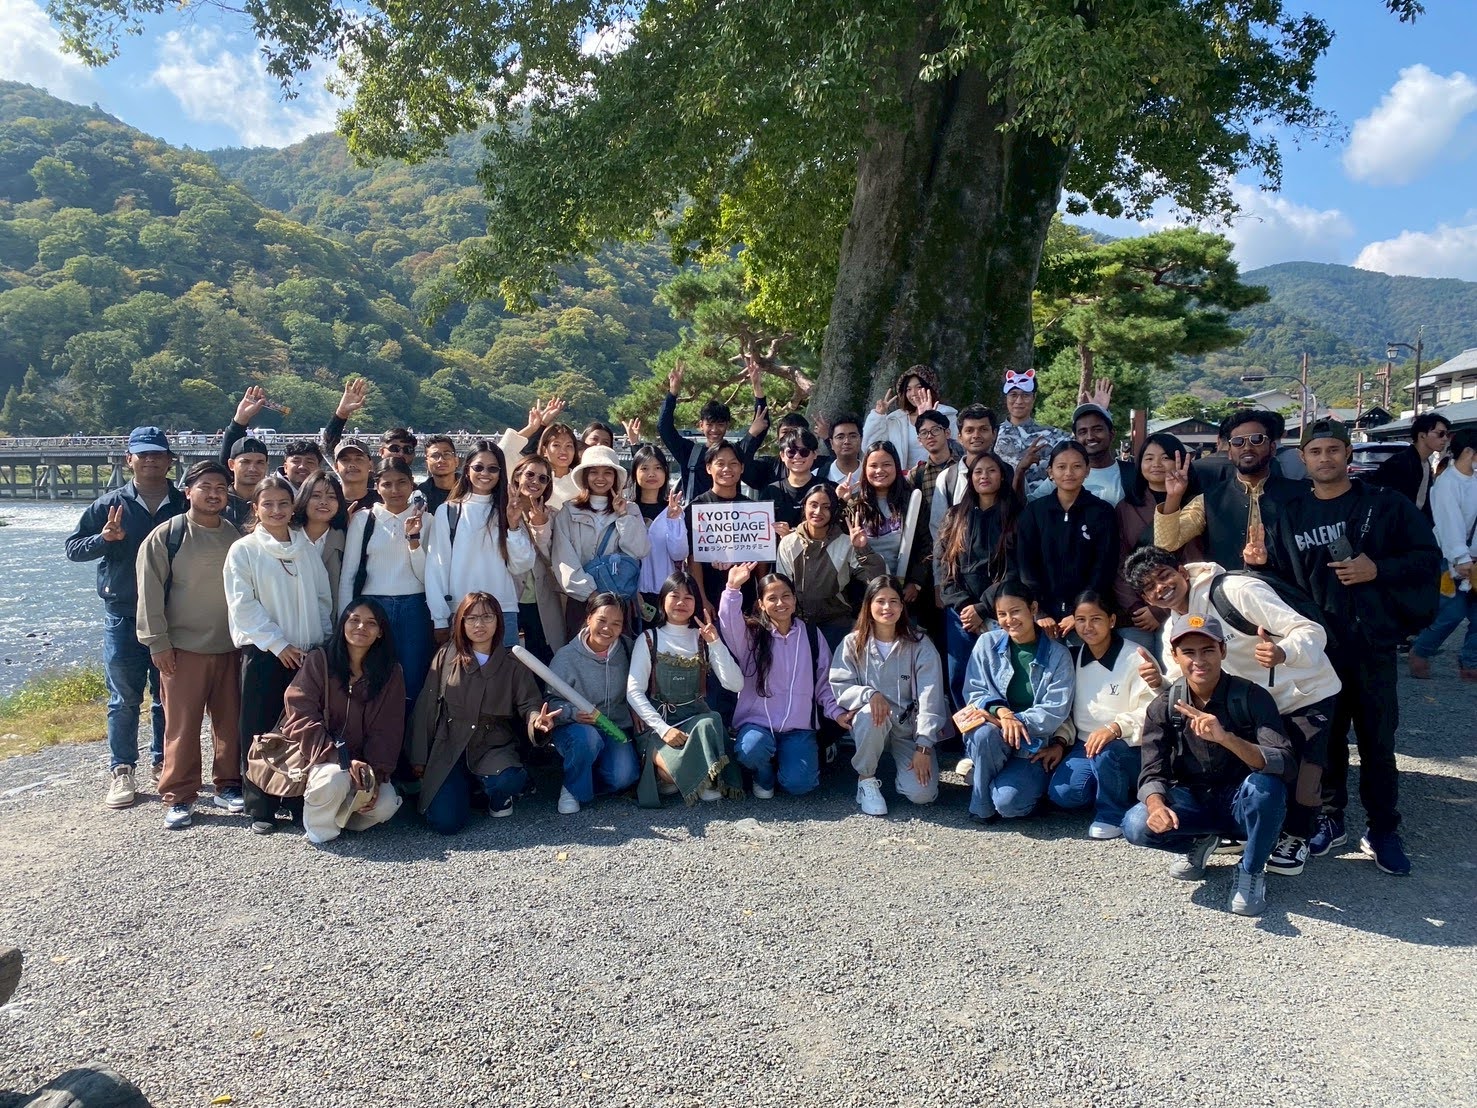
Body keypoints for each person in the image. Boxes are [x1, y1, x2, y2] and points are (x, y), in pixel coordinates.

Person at [1264, 418, 1440, 876]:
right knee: (1327, 739)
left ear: (1348, 455)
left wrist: (1376, 569)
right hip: (1320, 648)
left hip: (1372, 643)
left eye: (1333, 450)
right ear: (1302, 459)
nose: (1325, 459)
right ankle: (1331, 817)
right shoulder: (1291, 515)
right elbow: (1283, 584)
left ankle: (1383, 828)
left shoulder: (1383, 505)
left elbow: (1427, 557)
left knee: (1378, 742)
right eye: (1316, 451)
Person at [1124, 545, 1342, 877]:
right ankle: (1242, 831)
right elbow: (1181, 683)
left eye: (1164, 575)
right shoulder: (1173, 628)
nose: (1160, 588)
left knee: (1302, 770)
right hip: (1251, 704)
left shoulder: (1235, 591)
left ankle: (1297, 835)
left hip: (1300, 691)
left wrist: (1283, 652)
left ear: (1182, 571)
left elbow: (1310, 630)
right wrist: (1159, 682)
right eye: (1149, 588)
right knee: (1253, 771)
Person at [1121, 614, 1294, 917]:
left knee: (1266, 787)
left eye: (1208, 650)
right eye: (1188, 652)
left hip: (1243, 802)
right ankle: (1200, 841)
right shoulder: (1165, 705)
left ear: (1222, 652)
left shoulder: (1252, 696)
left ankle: (1251, 869)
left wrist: (1226, 738)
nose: (1198, 660)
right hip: (1194, 800)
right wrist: (1156, 806)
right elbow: (1152, 769)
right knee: (1136, 824)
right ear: (1175, 656)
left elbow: (1282, 761)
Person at [65, 425, 186, 808]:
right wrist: (105, 540)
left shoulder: (184, 502)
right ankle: (122, 769)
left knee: (167, 696)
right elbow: (73, 549)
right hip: (123, 613)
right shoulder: (108, 505)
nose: (151, 460)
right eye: (143, 454)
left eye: (158, 454)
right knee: (123, 697)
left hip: (173, 614)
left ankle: (162, 763)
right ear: (129, 459)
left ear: (170, 460)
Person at [134, 461, 243, 829]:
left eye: (221, 488)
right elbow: (148, 593)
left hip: (231, 645)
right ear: (187, 491)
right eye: (205, 487)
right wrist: (157, 643)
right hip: (183, 647)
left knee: (230, 723)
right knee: (181, 724)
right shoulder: (168, 536)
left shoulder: (235, 535)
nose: (214, 493)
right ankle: (180, 795)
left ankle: (228, 785)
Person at [225, 475, 335, 822]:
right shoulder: (244, 550)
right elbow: (243, 605)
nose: (276, 510)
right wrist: (278, 644)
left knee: (299, 728)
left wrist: (323, 642)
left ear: (293, 507)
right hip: (265, 653)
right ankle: (261, 805)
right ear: (255, 508)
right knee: (258, 729)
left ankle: (295, 796)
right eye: (268, 504)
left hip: (306, 653)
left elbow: (322, 597)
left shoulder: (304, 547)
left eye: (283, 503)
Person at [248, 601, 406, 842]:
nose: (361, 626)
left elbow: (388, 730)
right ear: (343, 624)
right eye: (354, 620)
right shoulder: (320, 660)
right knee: (335, 778)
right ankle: (321, 830)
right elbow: (300, 713)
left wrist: (375, 774)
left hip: (361, 760)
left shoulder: (390, 673)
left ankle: (340, 818)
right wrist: (339, 758)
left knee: (385, 804)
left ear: (381, 631)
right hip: (318, 755)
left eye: (371, 623)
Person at [410, 593, 546, 832]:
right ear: (460, 622)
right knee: (446, 823)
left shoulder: (512, 663)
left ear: (498, 621)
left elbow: (530, 704)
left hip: (492, 744)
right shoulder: (447, 655)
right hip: (449, 744)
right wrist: (419, 756)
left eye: (486, 617)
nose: (479, 624)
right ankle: (469, 790)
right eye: (471, 618)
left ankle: (496, 795)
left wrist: (537, 722)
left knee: (509, 780)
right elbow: (427, 704)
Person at [721, 565, 848, 798]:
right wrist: (733, 588)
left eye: (786, 596)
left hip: (798, 729)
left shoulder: (811, 634)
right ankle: (764, 774)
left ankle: (786, 763)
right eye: (772, 598)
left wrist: (836, 712)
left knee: (800, 785)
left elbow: (825, 683)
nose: (780, 603)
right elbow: (729, 623)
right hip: (757, 725)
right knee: (750, 750)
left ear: (794, 598)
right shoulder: (750, 635)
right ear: (761, 604)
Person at [958, 581, 1074, 823]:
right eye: (1002, 614)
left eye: (1016, 611)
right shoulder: (986, 643)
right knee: (982, 734)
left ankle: (989, 776)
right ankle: (980, 803)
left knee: (1009, 804)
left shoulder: (1058, 655)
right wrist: (1002, 713)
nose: (1009, 620)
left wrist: (1013, 721)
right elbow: (974, 691)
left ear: (1033, 609)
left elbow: (1055, 710)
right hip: (992, 737)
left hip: (1033, 744)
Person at [830, 575, 946, 816]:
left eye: (894, 601)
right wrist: (869, 694)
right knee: (871, 711)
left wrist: (924, 746)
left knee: (922, 795)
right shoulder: (852, 643)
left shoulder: (920, 644)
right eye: (880, 601)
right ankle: (867, 779)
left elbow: (930, 697)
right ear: (868, 605)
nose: (887, 608)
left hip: (908, 730)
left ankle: (904, 773)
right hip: (872, 722)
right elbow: (840, 684)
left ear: (902, 606)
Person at [627, 574, 746, 806]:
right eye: (675, 596)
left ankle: (699, 778)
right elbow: (633, 691)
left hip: (695, 720)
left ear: (696, 603)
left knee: (710, 720)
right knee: (669, 774)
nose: (681, 602)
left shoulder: (702, 639)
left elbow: (736, 684)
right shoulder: (649, 638)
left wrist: (715, 643)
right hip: (659, 724)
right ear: (663, 600)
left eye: (688, 597)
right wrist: (663, 730)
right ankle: (694, 776)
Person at [1046, 591, 1155, 840]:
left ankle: (1112, 813)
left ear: (1112, 620)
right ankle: (1119, 788)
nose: (1088, 626)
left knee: (1108, 753)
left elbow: (1150, 711)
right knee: (1063, 794)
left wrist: (1115, 728)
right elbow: (1067, 710)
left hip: (1126, 746)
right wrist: (1061, 741)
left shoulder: (1135, 656)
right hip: (1084, 745)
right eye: (1081, 619)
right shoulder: (1073, 658)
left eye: (1096, 619)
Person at [1154, 409, 1307, 571]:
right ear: (1230, 452)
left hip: (1285, 591)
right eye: (1238, 442)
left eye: (1257, 439)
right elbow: (1166, 544)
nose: (1247, 447)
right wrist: (1173, 496)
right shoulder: (1209, 500)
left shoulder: (1302, 494)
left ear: (1273, 448)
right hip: (1228, 591)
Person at [339, 458, 432, 720]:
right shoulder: (363, 520)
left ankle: (408, 753)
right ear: (376, 486)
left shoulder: (427, 520)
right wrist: (344, 619)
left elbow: (428, 576)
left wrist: (414, 541)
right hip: (372, 608)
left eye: (402, 482)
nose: (395, 490)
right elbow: (349, 573)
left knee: (412, 681)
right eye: (387, 484)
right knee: (370, 678)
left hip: (414, 606)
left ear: (413, 484)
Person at [424, 440, 535, 648]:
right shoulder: (448, 511)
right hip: (461, 609)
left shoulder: (508, 510)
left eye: (493, 468)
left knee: (502, 677)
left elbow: (522, 565)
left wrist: (513, 525)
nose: (485, 473)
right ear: (467, 470)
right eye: (478, 467)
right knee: (462, 677)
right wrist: (439, 618)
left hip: (503, 608)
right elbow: (436, 567)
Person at [540, 594, 641, 814]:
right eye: (602, 620)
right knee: (587, 739)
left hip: (613, 726)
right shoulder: (566, 657)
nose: (608, 628)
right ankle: (572, 787)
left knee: (624, 777)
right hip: (577, 728)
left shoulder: (627, 649)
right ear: (588, 619)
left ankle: (586, 777)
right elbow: (550, 701)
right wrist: (572, 713)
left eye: (616, 623)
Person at [934, 451, 1020, 709]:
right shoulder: (955, 516)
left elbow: (1017, 569)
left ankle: (1000, 734)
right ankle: (968, 736)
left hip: (1000, 612)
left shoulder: (1016, 516)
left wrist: (983, 608)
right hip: (960, 614)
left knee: (999, 676)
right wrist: (964, 607)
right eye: (978, 471)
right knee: (960, 676)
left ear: (1002, 476)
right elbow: (943, 565)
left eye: (991, 470)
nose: (984, 476)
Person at [1014, 441, 1119, 638]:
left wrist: (1080, 612)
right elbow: (1026, 566)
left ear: (1087, 470)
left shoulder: (1103, 512)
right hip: (1043, 618)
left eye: (1077, 466)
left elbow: (1104, 567)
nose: (1069, 473)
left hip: (1088, 616)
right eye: (1061, 467)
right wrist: (1040, 611)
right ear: (1050, 472)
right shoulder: (1034, 513)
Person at [550, 444, 651, 634]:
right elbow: (564, 559)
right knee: (581, 656)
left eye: (607, 472)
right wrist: (591, 594)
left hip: (620, 600)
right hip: (582, 600)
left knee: (619, 656)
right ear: (585, 476)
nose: (601, 478)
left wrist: (623, 516)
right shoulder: (568, 511)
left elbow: (640, 550)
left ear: (615, 477)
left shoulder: (630, 510)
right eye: (594, 472)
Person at [1115, 433, 1203, 646]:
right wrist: (1138, 608)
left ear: (1180, 460)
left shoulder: (1196, 504)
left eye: (1165, 458)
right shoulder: (1125, 508)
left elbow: (1196, 556)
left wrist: (1159, 610)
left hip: (1189, 602)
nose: (1156, 464)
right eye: (1149, 458)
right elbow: (1119, 562)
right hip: (1140, 609)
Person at [777, 483, 884, 650]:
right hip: (798, 623)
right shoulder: (788, 543)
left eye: (826, 507)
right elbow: (782, 587)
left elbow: (877, 580)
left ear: (833, 510)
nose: (818, 512)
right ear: (804, 506)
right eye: (813, 505)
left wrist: (863, 548)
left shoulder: (845, 543)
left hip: (836, 623)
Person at [1411, 427, 1477, 680]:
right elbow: (1449, 523)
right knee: (1452, 612)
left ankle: (1470, 661)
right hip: (1449, 558)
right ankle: (1422, 649)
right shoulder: (1447, 483)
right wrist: (1460, 558)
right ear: (1469, 451)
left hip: (1472, 558)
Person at [660, 362, 770, 500]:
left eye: (720, 424)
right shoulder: (688, 453)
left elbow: (761, 424)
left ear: (727, 425)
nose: (714, 430)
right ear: (701, 425)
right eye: (710, 424)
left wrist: (757, 388)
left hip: (731, 516)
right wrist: (672, 393)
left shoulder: (736, 452)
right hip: (696, 517)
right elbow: (665, 429)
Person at [687, 441, 758, 622]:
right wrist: (702, 599)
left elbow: (761, 556)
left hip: (747, 597)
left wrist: (761, 595)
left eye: (733, 463)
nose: (727, 469)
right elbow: (693, 557)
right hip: (710, 597)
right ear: (709, 468)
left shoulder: (754, 509)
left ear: (741, 468)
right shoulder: (696, 507)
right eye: (720, 463)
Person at [849, 440, 927, 599]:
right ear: (865, 469)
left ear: (896, 467)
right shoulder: (855, 505)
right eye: (873, 466)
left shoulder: (912, 501)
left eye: (886, 464)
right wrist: (840, 501)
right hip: (865, 590)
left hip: (903, 590)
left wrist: (915, 582)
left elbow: (926, 544)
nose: (879, 470)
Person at [509, 454, 566, 663]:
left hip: (542, 598)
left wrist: (540, 526)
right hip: (510, 595)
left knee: (543, 656)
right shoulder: (500, 511)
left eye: (543, 479)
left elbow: (554, 557)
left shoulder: (553, 515)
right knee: (509, 657)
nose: (535, 482)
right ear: (517, 476)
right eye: (530, 474)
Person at [628, 445, 689, 621]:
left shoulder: (673, 510)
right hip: (632, 592)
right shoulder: (627, 509)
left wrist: (673, 520)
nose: (651, 474)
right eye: (644, 468)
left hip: (666, 591)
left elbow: (680, 553)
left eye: (657, 468)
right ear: (635, 473)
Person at [991, 369, 1070, 496]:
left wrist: (1098, 410)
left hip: (1041, 507)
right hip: (1002, 507)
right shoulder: (992, 434)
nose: (1019, 401)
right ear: (1006, 397)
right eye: (1013, 395)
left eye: (1025, 395)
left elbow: (1084, 447)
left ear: (1034, 397)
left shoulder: (1054, 435)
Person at [862, 365, 958, 469]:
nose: (913, 393)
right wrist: (878, 416)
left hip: (940, 476)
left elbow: (958, 450)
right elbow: (870, 448)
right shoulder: (896, 419)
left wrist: (930, 418)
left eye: (919, 387)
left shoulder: (947, 415)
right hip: (904, 481)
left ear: (930, 388)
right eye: (908, 389)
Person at [928, 404, 998, 541]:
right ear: (960, 437)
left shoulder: (1008, 472)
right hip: (960, 559)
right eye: (969, 430)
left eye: (983, 429)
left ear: (994, 434)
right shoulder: (947, 478)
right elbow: (938, 528)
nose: (976, 436)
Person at [1369, 411, 1449, 524]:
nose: (1445, 438)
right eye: (1440, 434)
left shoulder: (1425, 463)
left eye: (1447, 434)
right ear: (1422, 435)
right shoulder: (1400, 463)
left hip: (1412, 526)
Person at [294, 471, 349, 614]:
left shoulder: (346, 540)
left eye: (331, 497)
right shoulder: (286, 536)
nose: (324, 502)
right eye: (316, 496)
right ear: (304, 498)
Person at [759, 427, 826, 534]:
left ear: (815, 454)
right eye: (791, 452)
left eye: (804, 452)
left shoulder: (828, 489)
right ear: (782, 456)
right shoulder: (770, 492)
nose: (797, 456)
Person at [1069, 402, 1135, 506]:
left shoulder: (1133, 474)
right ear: (1076, 439)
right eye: (1083, 432)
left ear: (1112, 434)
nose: (1090, 437)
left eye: (1097, 430)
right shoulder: (1065, 475)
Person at [224, 436, 269, 529]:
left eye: (259, 462)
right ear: (231, 464)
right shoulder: (219, 502)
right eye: (245, 462)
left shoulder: (274, 503)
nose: (252, 468)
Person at [331, 439, 378, 512]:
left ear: (370, 465)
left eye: (359, 459)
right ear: (336, 466)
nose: (352, 465)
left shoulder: (383, 501)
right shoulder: (329, 503)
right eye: (345, 460)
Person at [419, 435, 460, 515]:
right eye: (435, 456)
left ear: (456, 461)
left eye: (446, 454)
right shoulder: (421, 494)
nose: (441, 460)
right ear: (426, 464)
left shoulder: (470, 489)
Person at [820, 413, 863, 486]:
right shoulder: (817, 476)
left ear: (861, 440)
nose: (847, 441)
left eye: (853, 436)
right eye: (840, 437)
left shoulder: (873, 476)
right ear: (831, 443)